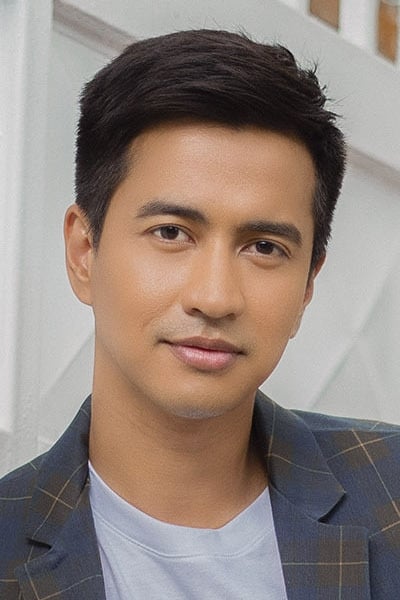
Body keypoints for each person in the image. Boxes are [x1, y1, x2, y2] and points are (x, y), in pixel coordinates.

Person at [1, 29, 399, 600]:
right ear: (84, 252)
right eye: (171, 233)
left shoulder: (389, 492)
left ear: (309, 283)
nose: (214, 297)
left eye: (264, 247)